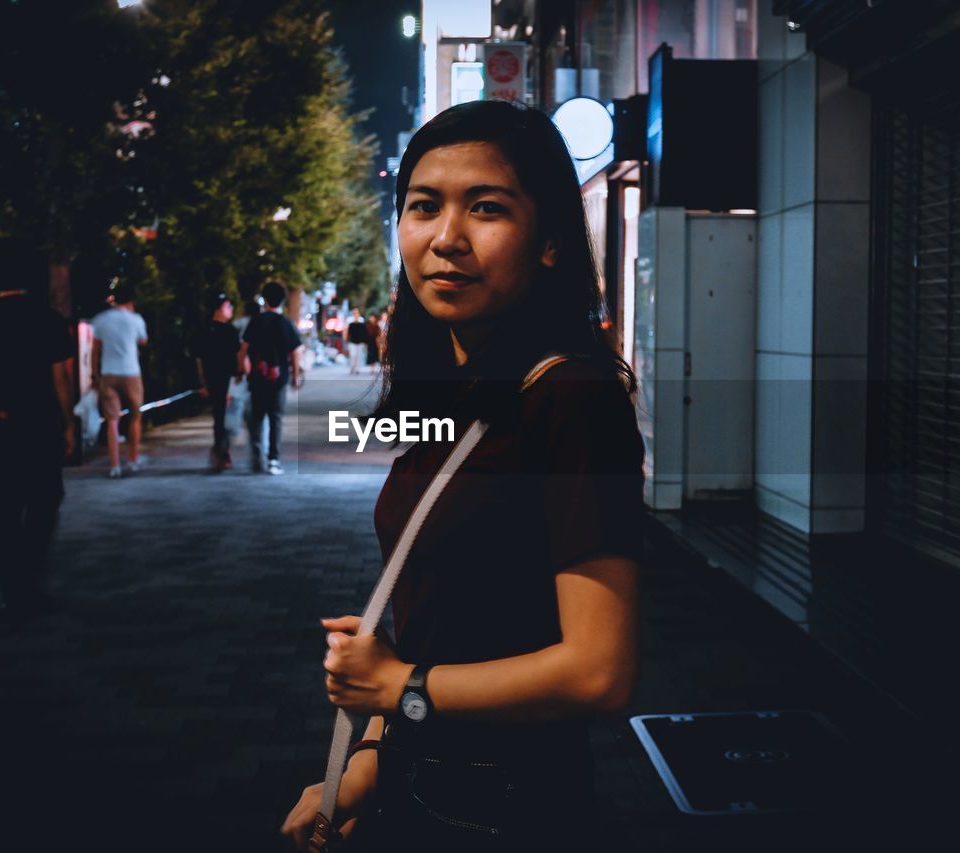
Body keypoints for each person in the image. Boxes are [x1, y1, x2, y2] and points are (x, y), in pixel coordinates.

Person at [281, 100, 644, 852]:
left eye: (486, 209)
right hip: (421, 788)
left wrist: (398, 685)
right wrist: (365, 765)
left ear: (548, 241)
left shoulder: (572, 398)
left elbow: (599, 669)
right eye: (423, 207)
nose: (447, 239)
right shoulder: (461, 390)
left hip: (511, 810)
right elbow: (438, 627)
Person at [0, 238, 76, 616]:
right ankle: (31, 573)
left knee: (2, 508)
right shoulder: (46, 318)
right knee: (45, 498)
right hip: (39, 423)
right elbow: (60, 377)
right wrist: (67, 424)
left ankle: (13, 586)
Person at [238, 280, 302, 475]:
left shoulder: (255, 321)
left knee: (256, 417)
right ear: (282, 300)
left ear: (264, 300)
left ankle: (257, 457)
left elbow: (244, 350)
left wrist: (244, 369)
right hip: (278, 378)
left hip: (257, 378)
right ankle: (274, 459)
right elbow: (295, 353)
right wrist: (295, 376)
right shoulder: (286, 323)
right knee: (276, 419)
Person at [90, 281, 148, 478]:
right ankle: (133, 460)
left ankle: (114, 466)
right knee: (135, 417)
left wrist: (94, 374)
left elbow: (95, 350)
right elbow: (143, 340)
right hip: (131, 372)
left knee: (112, 421)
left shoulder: (101, 320)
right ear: (131, 300)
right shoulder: (136, 319)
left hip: (109, 372)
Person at [195, 292, 241, 472]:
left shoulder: (204, 330)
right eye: (228, 306)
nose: (231, 310)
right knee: (225, 419)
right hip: (226, 380)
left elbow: (198, 359)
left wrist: (202, 382)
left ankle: (220, 452)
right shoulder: (229, 331)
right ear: (219, 309)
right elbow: (237, 356)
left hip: (214, 380)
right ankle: (221, 453)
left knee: (219, 417)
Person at [343, 307, 369, 374]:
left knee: (359, 355)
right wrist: (345, 338)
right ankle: (352, 367)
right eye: (354, 312)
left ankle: (357, 369)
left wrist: (365, 341)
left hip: (360, 341)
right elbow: (346, 330)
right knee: (353, 355)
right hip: (352, 340)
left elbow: (364, 331)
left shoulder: (361, 320)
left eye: (357, 312)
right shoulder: (349, 320)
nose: (356, 313)